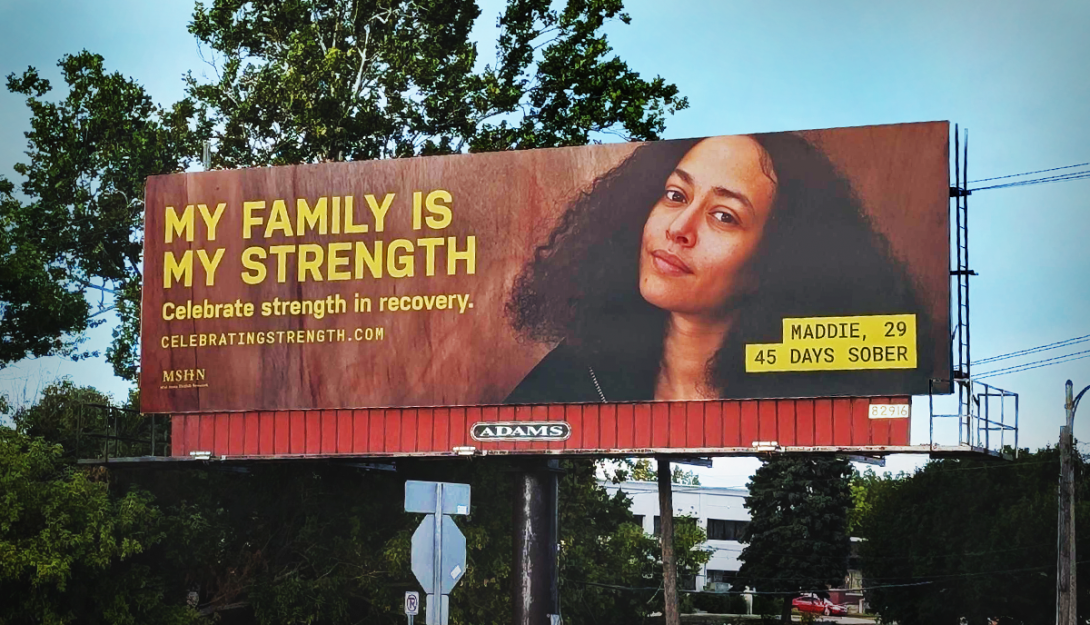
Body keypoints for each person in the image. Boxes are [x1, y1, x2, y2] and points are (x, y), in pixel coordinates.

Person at [504, 132, 932, 403]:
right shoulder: (574, 374)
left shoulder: (808, 401)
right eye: (675, 195)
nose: (679, 229)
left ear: (776, 259)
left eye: (724, 216)